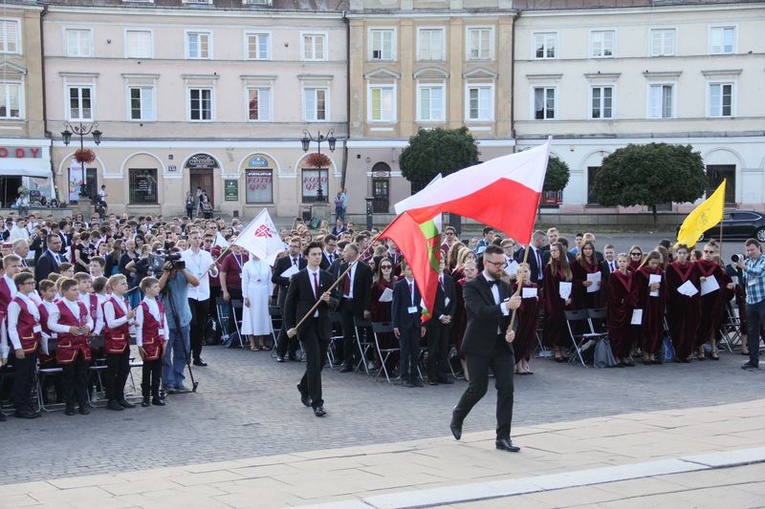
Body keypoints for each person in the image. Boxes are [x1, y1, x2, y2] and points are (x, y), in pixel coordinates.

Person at [450, 244, 522, 452]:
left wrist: (512, 329)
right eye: (497, 264)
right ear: (485, 262)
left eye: (503, 263)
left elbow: (513, 316)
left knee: (507, 388)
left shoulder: (505, 285)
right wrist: (505, 307)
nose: (501, 267)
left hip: (501, 345)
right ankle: (458, 414)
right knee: (478, 388)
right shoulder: (471, 286)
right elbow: (479, 312)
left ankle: (503, 437)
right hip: (478, 344)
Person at [284, 241, 338, 417]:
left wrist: (328, 300)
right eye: (314, 254)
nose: (317, 257)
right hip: (305, 326)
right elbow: (289, 305)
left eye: (319, 254)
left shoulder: (328, 277)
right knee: (313, 362)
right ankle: (317, 403)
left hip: (322, 325)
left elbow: (337, 302)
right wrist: (290, 327)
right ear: (306, 256)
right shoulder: (298, 278)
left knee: (320, 362)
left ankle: (303, 385)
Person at [47, 277, 93, 416]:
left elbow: (89, 319)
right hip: (67, 346)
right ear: (64, 291)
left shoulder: (82, 304)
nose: (77, 292)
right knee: (69, 376)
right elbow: (51, 324)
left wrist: (88, 327)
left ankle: (83, 403)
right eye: (74, 290)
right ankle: (69, 404)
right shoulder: (58, 305)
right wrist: (68, 329)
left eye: (78, 289)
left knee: (82, 375)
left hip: (82, 345)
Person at [159, 251, 198, 394]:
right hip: (167, 322)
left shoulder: (183, 273)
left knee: (183, 352)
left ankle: (178, 380)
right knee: (166, 354)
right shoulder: (161, 272)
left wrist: (182, 269)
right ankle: (168, 382)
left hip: (183, 319)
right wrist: (165, 273)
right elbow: (157, 288)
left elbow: (196, 282)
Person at [7, 272, 42, 418]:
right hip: (24, 343)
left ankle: (27, 403)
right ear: (21, 286)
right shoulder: (15, 303)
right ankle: (20, 407)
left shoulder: (30, 300)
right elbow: (12, 327)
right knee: (22, 376)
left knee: (29, 376)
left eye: (33, 283)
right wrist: (17, 346)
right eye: (29, 283)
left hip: (33, 342)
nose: (32, 285)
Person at [182, 230, 218, 366]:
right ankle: (187, 353)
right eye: (194, 238)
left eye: (199, 238)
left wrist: (214, 268)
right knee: (192, 324)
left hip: (203, 293)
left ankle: (197, 356)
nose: (197, 240)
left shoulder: (207, 255)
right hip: (189, 293)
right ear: (189, 240)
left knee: (201, 326)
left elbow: (214, 274)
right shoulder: (184, 255)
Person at [102, 274, 136, 411]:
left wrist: (132, 322)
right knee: (112, 371)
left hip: (124, 340)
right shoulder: (109, 302)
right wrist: (126, 317)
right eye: (123, 284)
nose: (126, 285)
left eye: (126, 283)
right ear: (114, 286)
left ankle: (120, 396)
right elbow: (110, 323)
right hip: (113, 341)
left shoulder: (125, 301)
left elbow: (126, 321)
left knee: (124, 369)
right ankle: (111, 399)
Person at [337, 243, 372, 372]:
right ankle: (348, 363)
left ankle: (360, 361)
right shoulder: (342, 267)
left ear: (352, 253)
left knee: (359, 333)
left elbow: (368, 290)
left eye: (345, 251)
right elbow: (340, 286)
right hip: (345, 302)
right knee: (347, 334)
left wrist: (366, 308)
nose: (343, 254)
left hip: (358, 304)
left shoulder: (365, 268)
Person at [391, 260, 426, 388]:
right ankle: (404, 376)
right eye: (409, 269)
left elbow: (423, 305)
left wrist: (423, 323)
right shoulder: (399, 285)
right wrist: (395, 324)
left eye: (413, 269)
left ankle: (414, 376)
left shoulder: (419, 285)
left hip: (416, 322)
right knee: (405, 350)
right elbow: (395, 306)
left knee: (415, 350)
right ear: (404, 271)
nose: (411, 272)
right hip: (403, 323)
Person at [135, 276, 168, 407]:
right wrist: (139, 345)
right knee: (147, 370)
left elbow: (164, 322)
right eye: (155, 287)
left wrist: (166, 338)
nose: (158, 288)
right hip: (148, 342)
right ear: (147, 289)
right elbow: (139, 327)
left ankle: (156, 395)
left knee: (157, 370)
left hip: (159, 340)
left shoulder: (159, 304)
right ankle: (146, 396)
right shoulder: (141, 306)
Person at [272, 237, 306, 362]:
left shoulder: (304, 262)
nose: (293, 248)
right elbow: (274, 278)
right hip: (285, 296)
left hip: (299, 297)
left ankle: (293, 352)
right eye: (291, 246)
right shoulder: (282, 261)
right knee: (286, 324)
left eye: (295, 246)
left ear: (300, 248)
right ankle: (280, 352)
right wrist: (288, 280)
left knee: (296, 324)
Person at [665, 245, 700, 363]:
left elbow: (696, 283)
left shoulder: (693, 267)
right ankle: (678, 353)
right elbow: (669, 285)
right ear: (676, 254)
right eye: (679, 253)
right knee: (677, 328)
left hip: (690, 302)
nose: (682, 255)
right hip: (676, 303)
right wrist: (679, 294)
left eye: (684, 253)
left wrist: (692, 294)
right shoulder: (671, 267)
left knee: (690, 328)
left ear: (688, 254)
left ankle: (688, 352)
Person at [426, 257, 455, 385]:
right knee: (433, 349)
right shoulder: (430, 280)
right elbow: (428, 302)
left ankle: (443, 375)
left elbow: (454, 300)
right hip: (435, 320)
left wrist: (450, 316)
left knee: (444, 348)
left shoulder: (449, 280)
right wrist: (440, 316)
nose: (440, 265)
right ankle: (432, 375)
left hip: (447, 320)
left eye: (442, 262)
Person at [737, 238, 765, 370]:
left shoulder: (763, 260)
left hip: (763, 299)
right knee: (752, 332)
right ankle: (753, 361)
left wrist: (744, 267)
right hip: (750, 301)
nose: (750, 252)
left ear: (759, 248)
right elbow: (743, 281)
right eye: (747, 250)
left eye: (752, 250)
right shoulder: (746, 261)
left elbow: (758, 272)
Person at [634, 250, 666, 365]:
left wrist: (660, 287)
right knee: (646, 329)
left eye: (656, 263)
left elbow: (665, 289)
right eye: (652, 263)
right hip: (645, 305)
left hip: (656, 304)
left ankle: (653, 353)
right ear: (648, 261)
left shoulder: (659, 272)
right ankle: (645, 353)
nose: (654, 265)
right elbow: (637, 290)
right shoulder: (641, 272)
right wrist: (648, 288)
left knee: (656, 328)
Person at [542, 242, 573, 361]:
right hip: (554, 302)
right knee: (555, 326)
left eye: (555, 250)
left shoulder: (568, 266)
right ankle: (557, 350)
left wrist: (571, 297)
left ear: (561, 251)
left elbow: (572, 284)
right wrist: (554, 303)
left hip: (567, 302)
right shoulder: (550, 267)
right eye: (551, 251)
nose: (553, 252)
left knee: (564, 326)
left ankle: (563, 348)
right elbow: (548, 288)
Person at [607, 253, 637, 366]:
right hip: (617, 310)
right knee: (618, 334)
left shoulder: (632, 275)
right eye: (620, 261)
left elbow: (635, 289)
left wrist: (631, 299)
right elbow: (612, 293)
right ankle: (617, 356)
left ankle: (625, 356)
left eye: (624, 261)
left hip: (629, 308)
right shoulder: (613, 276)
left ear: (628, 263)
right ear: (617, 262)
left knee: (628, 333)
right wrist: (622, 300)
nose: (622, 264)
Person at [241, 252, 272, 351]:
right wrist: (245, 296)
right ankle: (252, 342)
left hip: (264, 291)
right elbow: (244, 282)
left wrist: (270, 294)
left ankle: (262, 342)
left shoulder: (266, 264)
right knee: (251, 316)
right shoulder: (247, 265)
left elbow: (269, 280)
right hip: (251, 292)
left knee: (262, 316)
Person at [511, 263, 539, 375]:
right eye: (520, 272)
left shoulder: (534, 286)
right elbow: (517, 303)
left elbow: (541, 301)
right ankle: (518, 365)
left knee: (529, 340)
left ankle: (525, 362)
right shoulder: (516, 287)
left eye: (526, 271)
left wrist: (536, 299)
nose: (524, 274)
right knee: (520, 340)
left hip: (532, 317)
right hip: (522, 318)